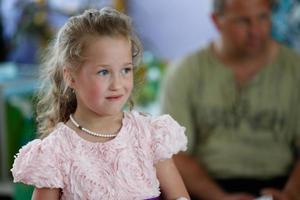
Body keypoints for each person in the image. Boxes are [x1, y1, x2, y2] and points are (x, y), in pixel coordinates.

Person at [11, 7, 190, 200]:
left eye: (126, 70)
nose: (117, 84)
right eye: (103, 72)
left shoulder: (149, 136)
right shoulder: (56, 153)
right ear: (70, 77)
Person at [160, 0, 300, 199]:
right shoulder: (185, 72)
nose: (256, 31)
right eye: (243, 21)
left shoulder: (295, 69)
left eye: (263, 18)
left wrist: (291, 193)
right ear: (217, 21)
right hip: (207, 188)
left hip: (280, 185)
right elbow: (173, 154)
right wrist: (219, 197)